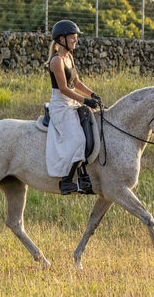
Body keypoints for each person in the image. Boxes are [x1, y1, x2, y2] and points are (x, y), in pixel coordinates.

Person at [45, 20, 101, 195]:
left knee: (90, 127)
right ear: (62, 39)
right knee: (78, 139)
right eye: (73, 37)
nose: (76, 40)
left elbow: (76, 82)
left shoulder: (69, 57)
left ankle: (83, 175)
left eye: (76, 38)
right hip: (60, 105)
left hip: (70, 101)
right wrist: (85, 101)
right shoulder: (57, 61)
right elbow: (63, 88)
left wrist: (92, 95)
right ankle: (67, 181)